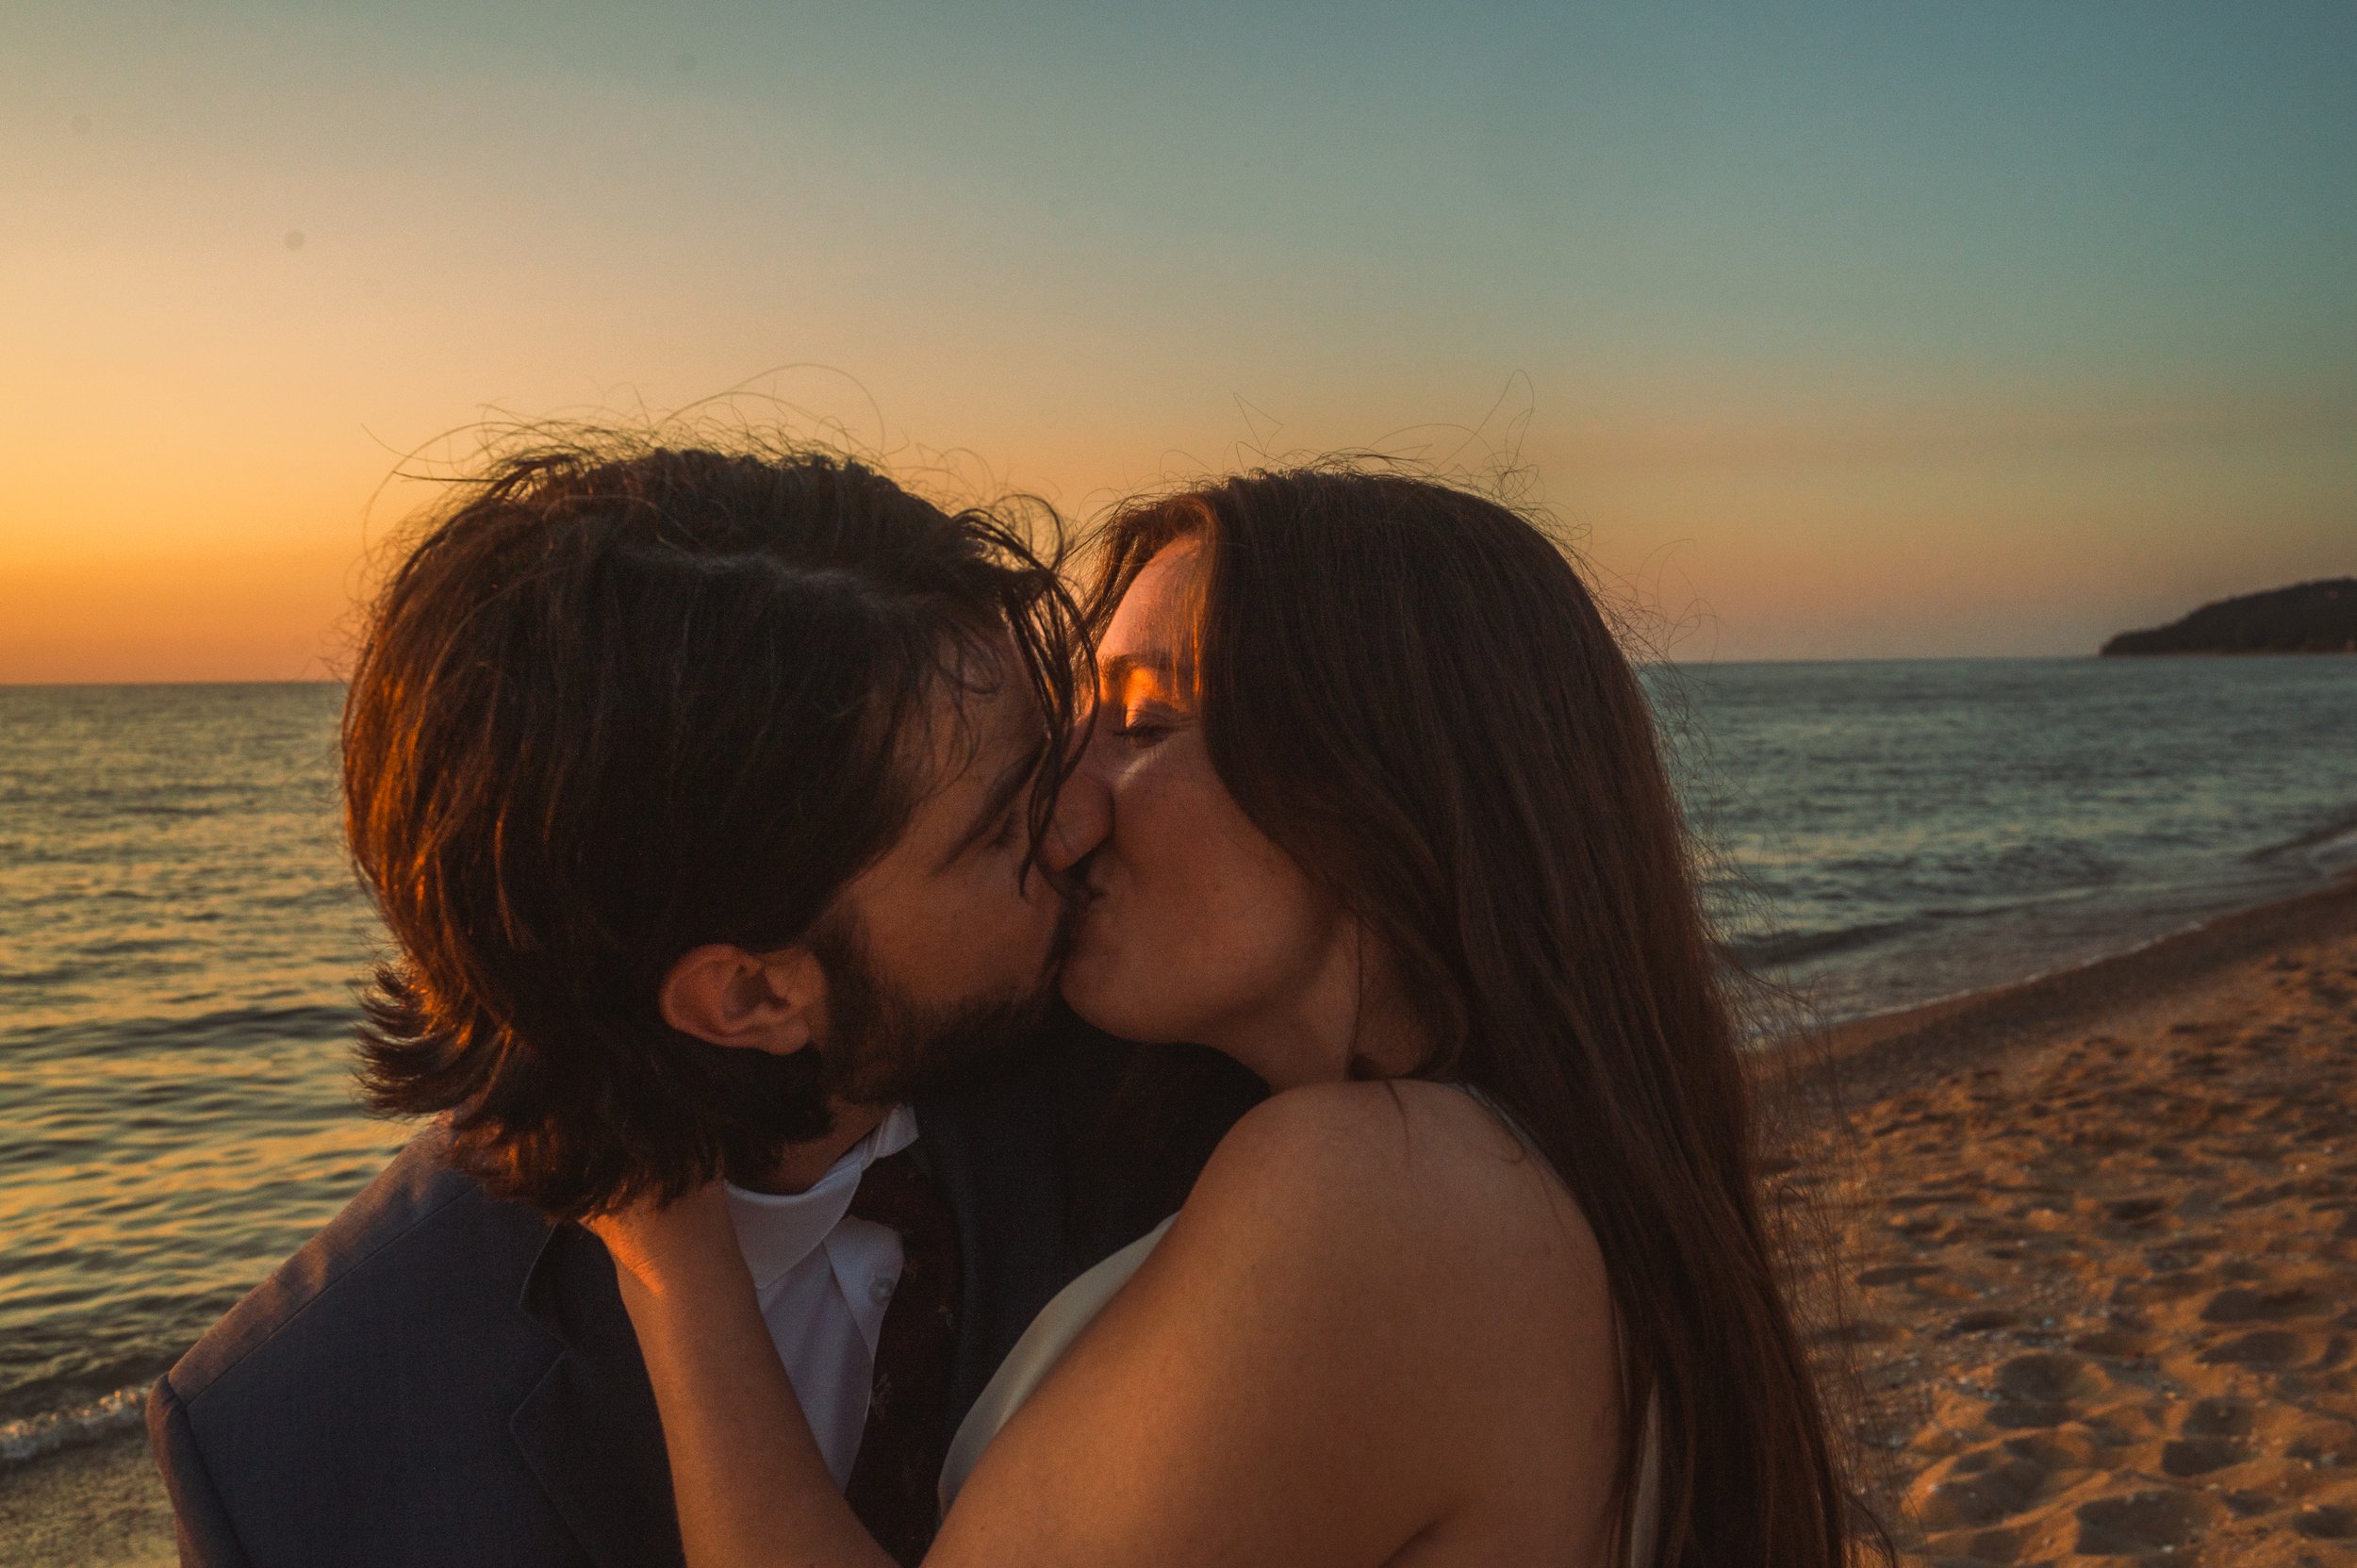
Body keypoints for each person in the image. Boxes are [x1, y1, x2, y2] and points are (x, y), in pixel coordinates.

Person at [589, 466, 1875, 1567]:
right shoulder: (1497, 1177)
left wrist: (667, 1245)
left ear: (1382, 784)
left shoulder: (1390, 1190)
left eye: (1142, 721)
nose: (1064, 804)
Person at [143, 438, 1258, 1568]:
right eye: (999, 829)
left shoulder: (1212, 1102)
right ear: (750, 995)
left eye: (1047, 746)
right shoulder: (296, 1442)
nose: (1079, 821)